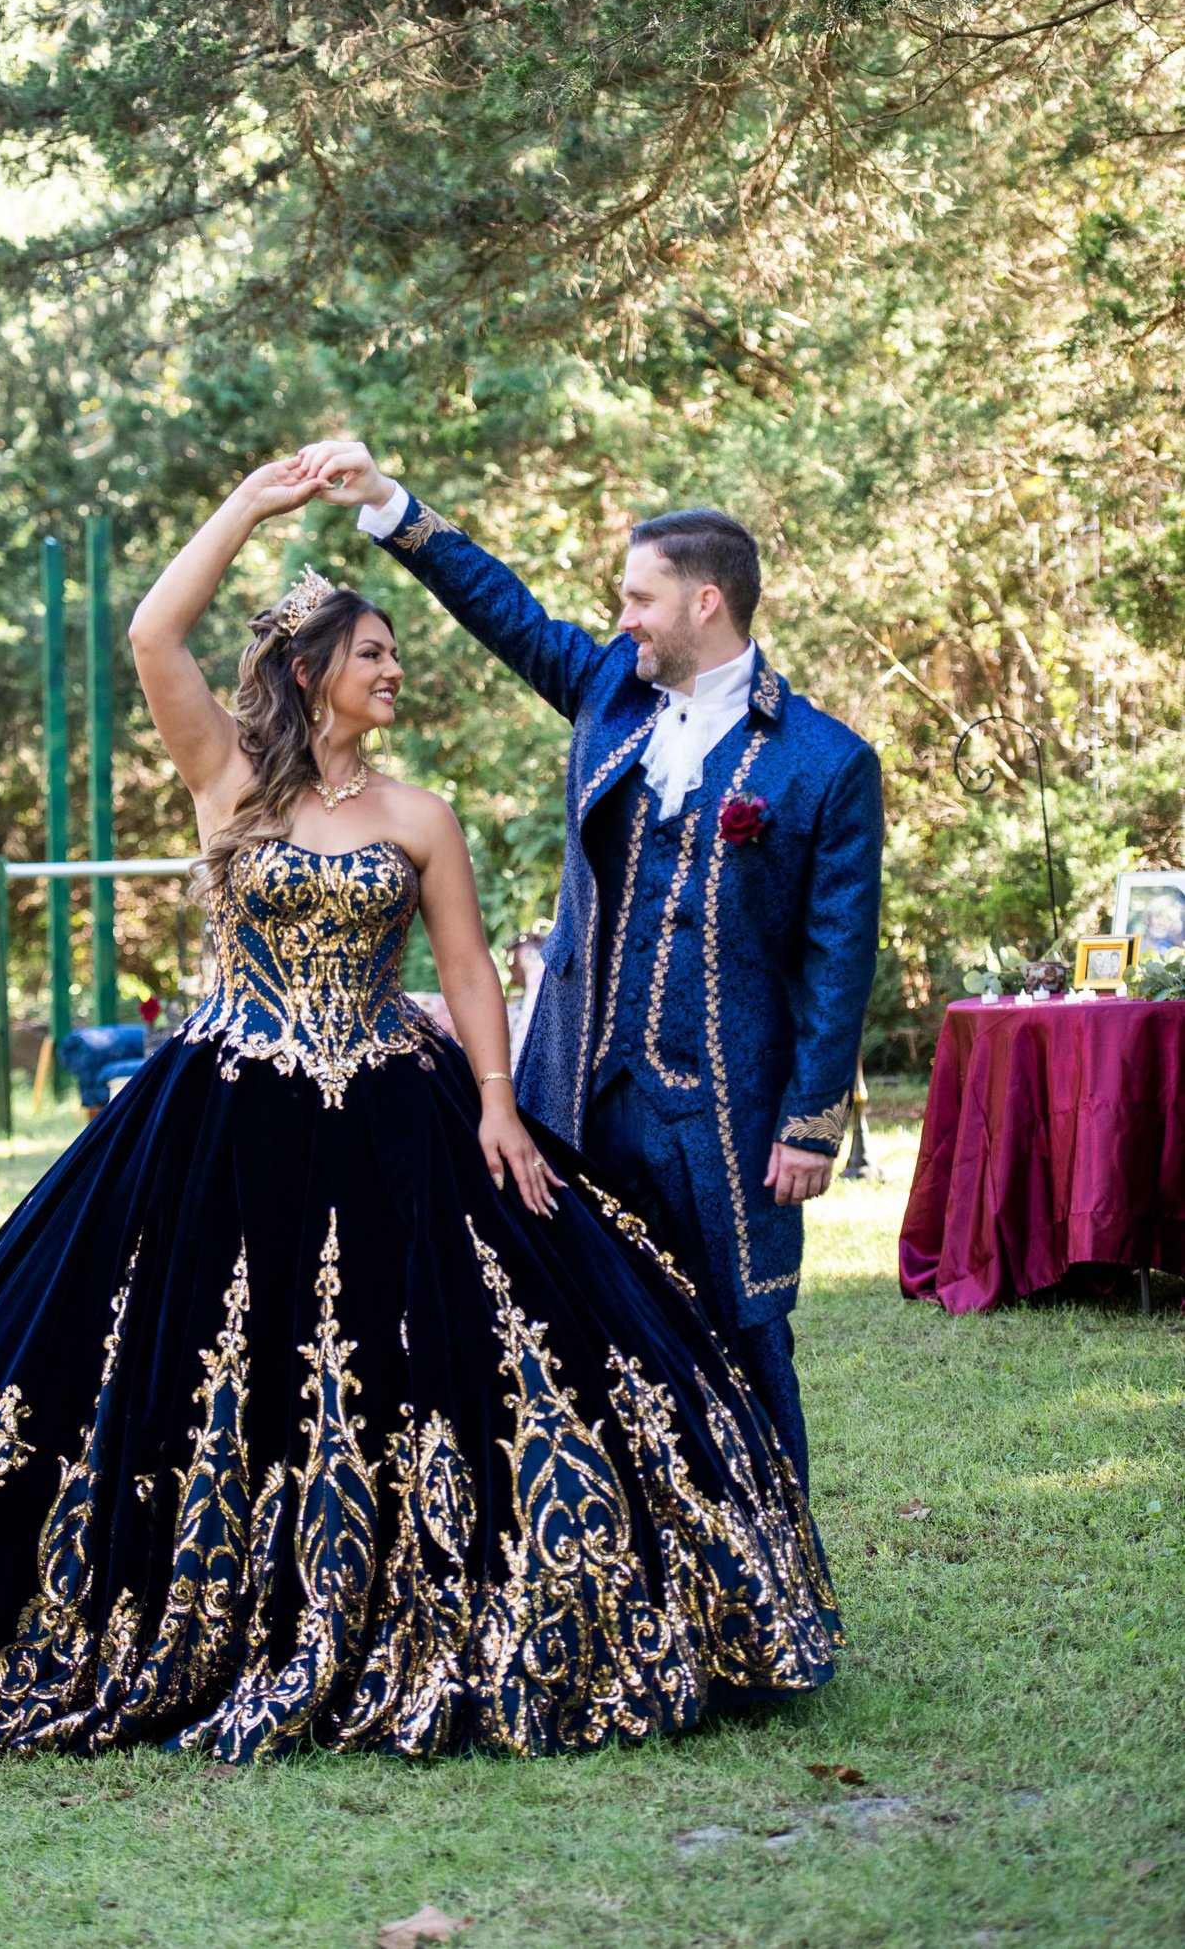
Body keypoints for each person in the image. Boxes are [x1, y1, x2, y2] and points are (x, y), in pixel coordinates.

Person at [0, 459, 838, 1761]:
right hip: (224, 1112)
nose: (396, 670)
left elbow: (469, 971)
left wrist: (499, 1104)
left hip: (395, 1111)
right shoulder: (227, 777)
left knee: (449, 1355)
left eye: (396, 654)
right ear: (314, 669)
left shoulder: (420, 814)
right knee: (171, 1360)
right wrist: (251, 509)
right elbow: (153, 633)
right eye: (374, 653)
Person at [301, 440, 884, 1488]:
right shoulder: (610, 690)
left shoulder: (827, 761)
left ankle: (771, 1570)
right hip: (574, 1094)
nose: (623, 619)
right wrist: (389, 503)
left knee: (743, 1344)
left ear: (705, 603)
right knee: (576, 1335)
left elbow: (838, 958)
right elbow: (507, 612)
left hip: (724, 1118)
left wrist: (810, 1123)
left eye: (639, 599)